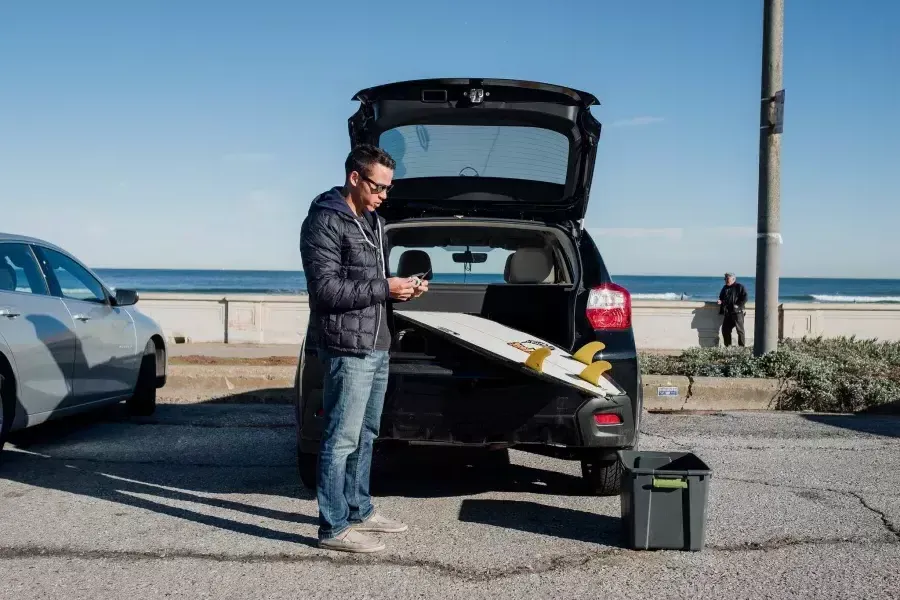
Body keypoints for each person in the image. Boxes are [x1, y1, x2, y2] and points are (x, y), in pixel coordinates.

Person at [299, 144, 428, 553]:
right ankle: (333, 528)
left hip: (377, 342)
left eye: (389, 187)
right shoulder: (324, 221)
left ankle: (359, 510)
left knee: (367, 434)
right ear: (355, 178)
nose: (385, 195)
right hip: (347, 346)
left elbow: (370, 286)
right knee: (340, 438)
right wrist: (384, 287)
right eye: (379, 186)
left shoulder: (372, 221)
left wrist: (402, 291)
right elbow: (326, 290)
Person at [717, 272, 748, 347]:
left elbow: (745, 297)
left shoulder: (739, 286)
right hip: (728, 313)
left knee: (740, 331)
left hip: (738, 313)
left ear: (733, 279)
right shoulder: (724, 288)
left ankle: (742, 347)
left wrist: (738, 305)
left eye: (727, 279)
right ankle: (728, 346)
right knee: (725, 330)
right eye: (725, 279)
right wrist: (721, 301)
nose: (726, 280)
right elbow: (722, 297)